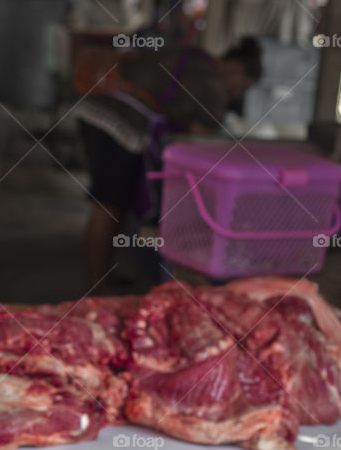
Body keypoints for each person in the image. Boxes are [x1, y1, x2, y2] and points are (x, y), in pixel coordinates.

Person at [76, 37, 263, 287]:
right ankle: (98, 285)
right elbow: (203, 138)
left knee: (113, 201)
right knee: (109, 204)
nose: (235, 93)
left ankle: (104, 275)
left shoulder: (196, 56)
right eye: (241, 87)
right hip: (117, 122)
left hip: (96, 108)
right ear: (237, 69)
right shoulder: (212, 83)